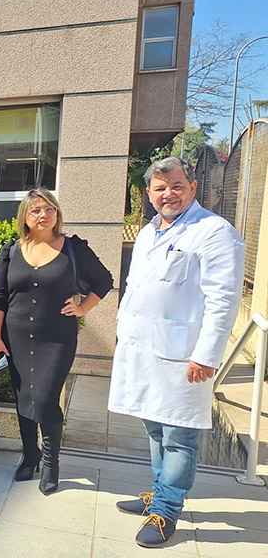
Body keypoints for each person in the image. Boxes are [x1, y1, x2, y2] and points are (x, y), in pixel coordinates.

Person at [109, 157, 243, 548]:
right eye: (160, 188)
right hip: (143, 349)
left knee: (179, 435)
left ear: (193, 187)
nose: (169, 194)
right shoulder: (150, 232)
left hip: (184, 355)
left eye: (177, 186)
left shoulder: (215, 232)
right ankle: (158, 490)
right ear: (149, 194)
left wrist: (207, 354)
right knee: (154, 423)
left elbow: (224, 300)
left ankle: (166, 511)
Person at [0, 188, 113, 495]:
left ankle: (50, 462)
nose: (43, 215)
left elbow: (104, 280)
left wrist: (84, 307)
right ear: (25, 218)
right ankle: (29, 455)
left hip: (56, 339)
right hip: (15, 338)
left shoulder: (73, 248)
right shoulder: (12, 250)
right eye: (35, 210)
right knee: (24, 399)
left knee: (45, 399)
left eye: (49, 209)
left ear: (56, 213)